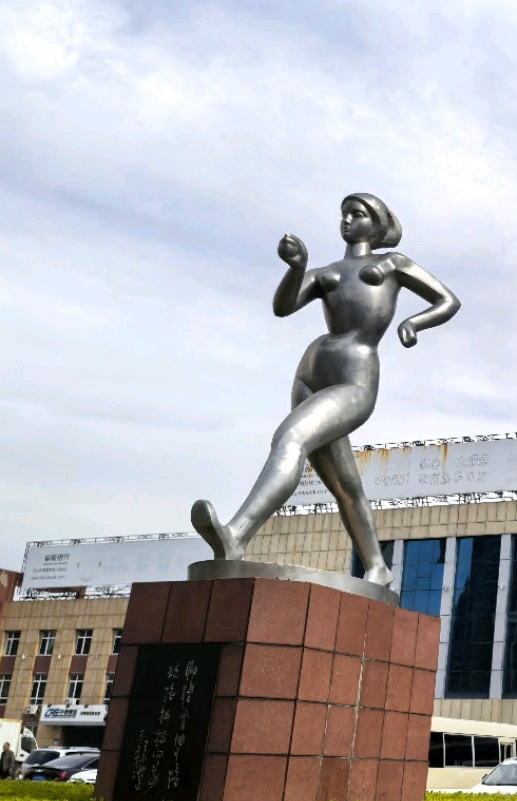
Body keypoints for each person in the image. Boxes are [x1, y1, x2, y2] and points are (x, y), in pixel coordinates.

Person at [192, 194, 460, 585]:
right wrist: (297, 267)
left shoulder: (394, 263)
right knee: (346, 485)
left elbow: (447, 300)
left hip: (355, 377)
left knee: (291, 438)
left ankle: (236, 534)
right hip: (310, 373)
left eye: (358, 214)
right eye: (344, 214)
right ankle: (377, 567)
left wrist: (414, 323)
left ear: (377, 223)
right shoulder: (326, 272)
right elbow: (284, 306)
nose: (347, 220)